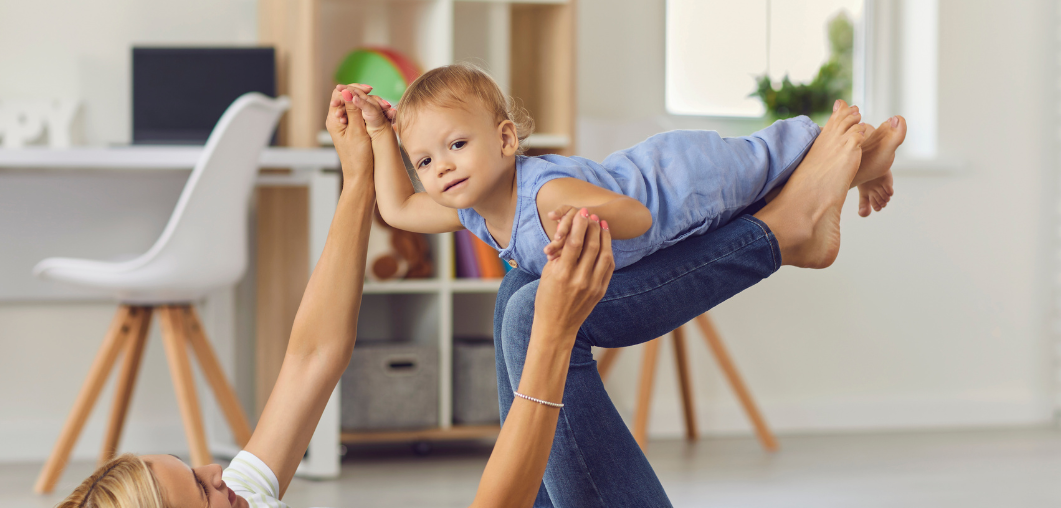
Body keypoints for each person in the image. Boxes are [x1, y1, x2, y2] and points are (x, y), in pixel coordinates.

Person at [30, 76, 868, 508]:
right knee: (532, 308)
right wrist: (554, 335)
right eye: (203, 488)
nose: (220, 470)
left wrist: (359, 178)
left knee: (518, 296)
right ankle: (777, 233)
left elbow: (314, 356)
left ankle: (779, 233)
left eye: (195, 464)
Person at [344, 62, 905, 276]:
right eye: (423, 161)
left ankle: (856, 148)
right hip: (671, 199)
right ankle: (856, 170)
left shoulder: (545, 196)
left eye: (456, 144)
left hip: (681, 178)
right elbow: (395, 208)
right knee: (767, 195)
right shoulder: (472, 211)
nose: (441, 168)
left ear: (506, 139)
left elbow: (635, 216)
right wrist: (375, 133)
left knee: (764, 163)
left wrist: (579, 226)